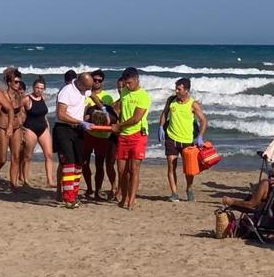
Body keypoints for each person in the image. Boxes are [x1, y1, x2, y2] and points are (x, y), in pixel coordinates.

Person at [159, 77, 208, 202]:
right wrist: (161, 127)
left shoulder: (192, 104)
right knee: (171, 166)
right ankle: (174, 193)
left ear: (186, 90)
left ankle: (189, 188)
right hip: (171, 138)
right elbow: (164, 113)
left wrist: (200, 136)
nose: (176, 91)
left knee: (189, 169)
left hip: (187, 140)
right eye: (176, 88)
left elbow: (203, 120)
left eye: (179, 89)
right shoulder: (171, 101)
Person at [112, 67, 152, 210]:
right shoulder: (124, 92)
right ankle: (123, 196)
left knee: (134, 169)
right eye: (125, 83)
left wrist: (119, 126)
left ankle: (131, 199)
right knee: (122, 170)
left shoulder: (143, 96)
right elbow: (120, 109)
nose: (127, 85)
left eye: (129, 83)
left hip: (137, 134)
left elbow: (136, 118)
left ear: (136, 80)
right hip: (123, 135)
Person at [53, 72, 92, 206]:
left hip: (78, 130)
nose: (87, 90)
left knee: (79, 163)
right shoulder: (66, 91)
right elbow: (61, 114)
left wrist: (101, 107)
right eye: (86, 87)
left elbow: (92, 95)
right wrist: (80, 122)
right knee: (69, 163)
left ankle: (73, 195)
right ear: (80, 83)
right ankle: (68, 198)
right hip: (64, 129)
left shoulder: (85, 90)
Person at [81, 69, 118, 201]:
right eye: (94, 80)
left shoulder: (108, 97)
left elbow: (111, 116)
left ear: (102, 82)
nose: (96, 82)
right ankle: (89, 188)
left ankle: (97, 191)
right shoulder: (85, 95)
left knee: (99, 164)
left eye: (99, 80)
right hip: (88, 133)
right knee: (84, 163)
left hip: (102, 135)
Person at [18, 76, 54, 187]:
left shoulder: (43, 98)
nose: (39, 90)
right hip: (30, 128)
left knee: (49, 154)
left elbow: (43, 115)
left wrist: (47, 126)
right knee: (28, 156)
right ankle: (25, 180)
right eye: (37, 88)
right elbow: (17, 112)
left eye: (41, 88)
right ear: (33, 87)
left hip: (43, 128)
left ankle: (50, 180)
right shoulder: (27, 99)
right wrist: (20, 127)